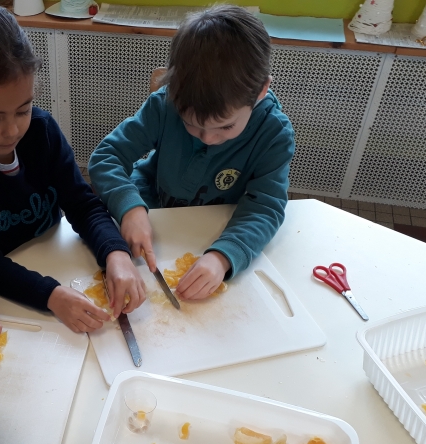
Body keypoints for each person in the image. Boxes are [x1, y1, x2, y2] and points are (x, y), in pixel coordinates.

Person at [0, 2, 146, 334]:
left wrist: (116, 253)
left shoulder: (42, 130)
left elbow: (83, 205)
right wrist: (50, 295)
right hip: (5, 293)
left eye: (23, 109)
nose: (12, 130)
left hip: (55, 254)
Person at [89, 5, 295, 300]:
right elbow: (106, 156)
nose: (209, 138)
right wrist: (130, 207)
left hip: (219, 231)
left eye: (225, 127)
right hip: (153, 217)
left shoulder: (273, 133)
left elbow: (265, 206)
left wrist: (223, 257)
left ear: (261, 91)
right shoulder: (164, 105)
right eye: (191, 125)